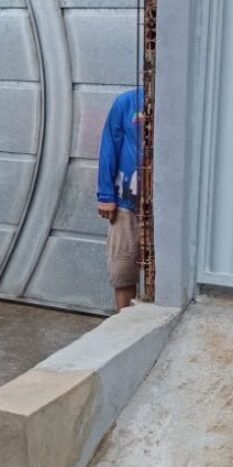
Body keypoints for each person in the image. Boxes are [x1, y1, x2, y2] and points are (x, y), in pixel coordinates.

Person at [96, 88, 144, 311]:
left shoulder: (182, 101)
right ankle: (123, 322)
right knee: (123, 273)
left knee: (163, 274)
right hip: (126, 204)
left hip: (167, 210)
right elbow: (109, 146)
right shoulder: (126, 102)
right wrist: (106, 195)